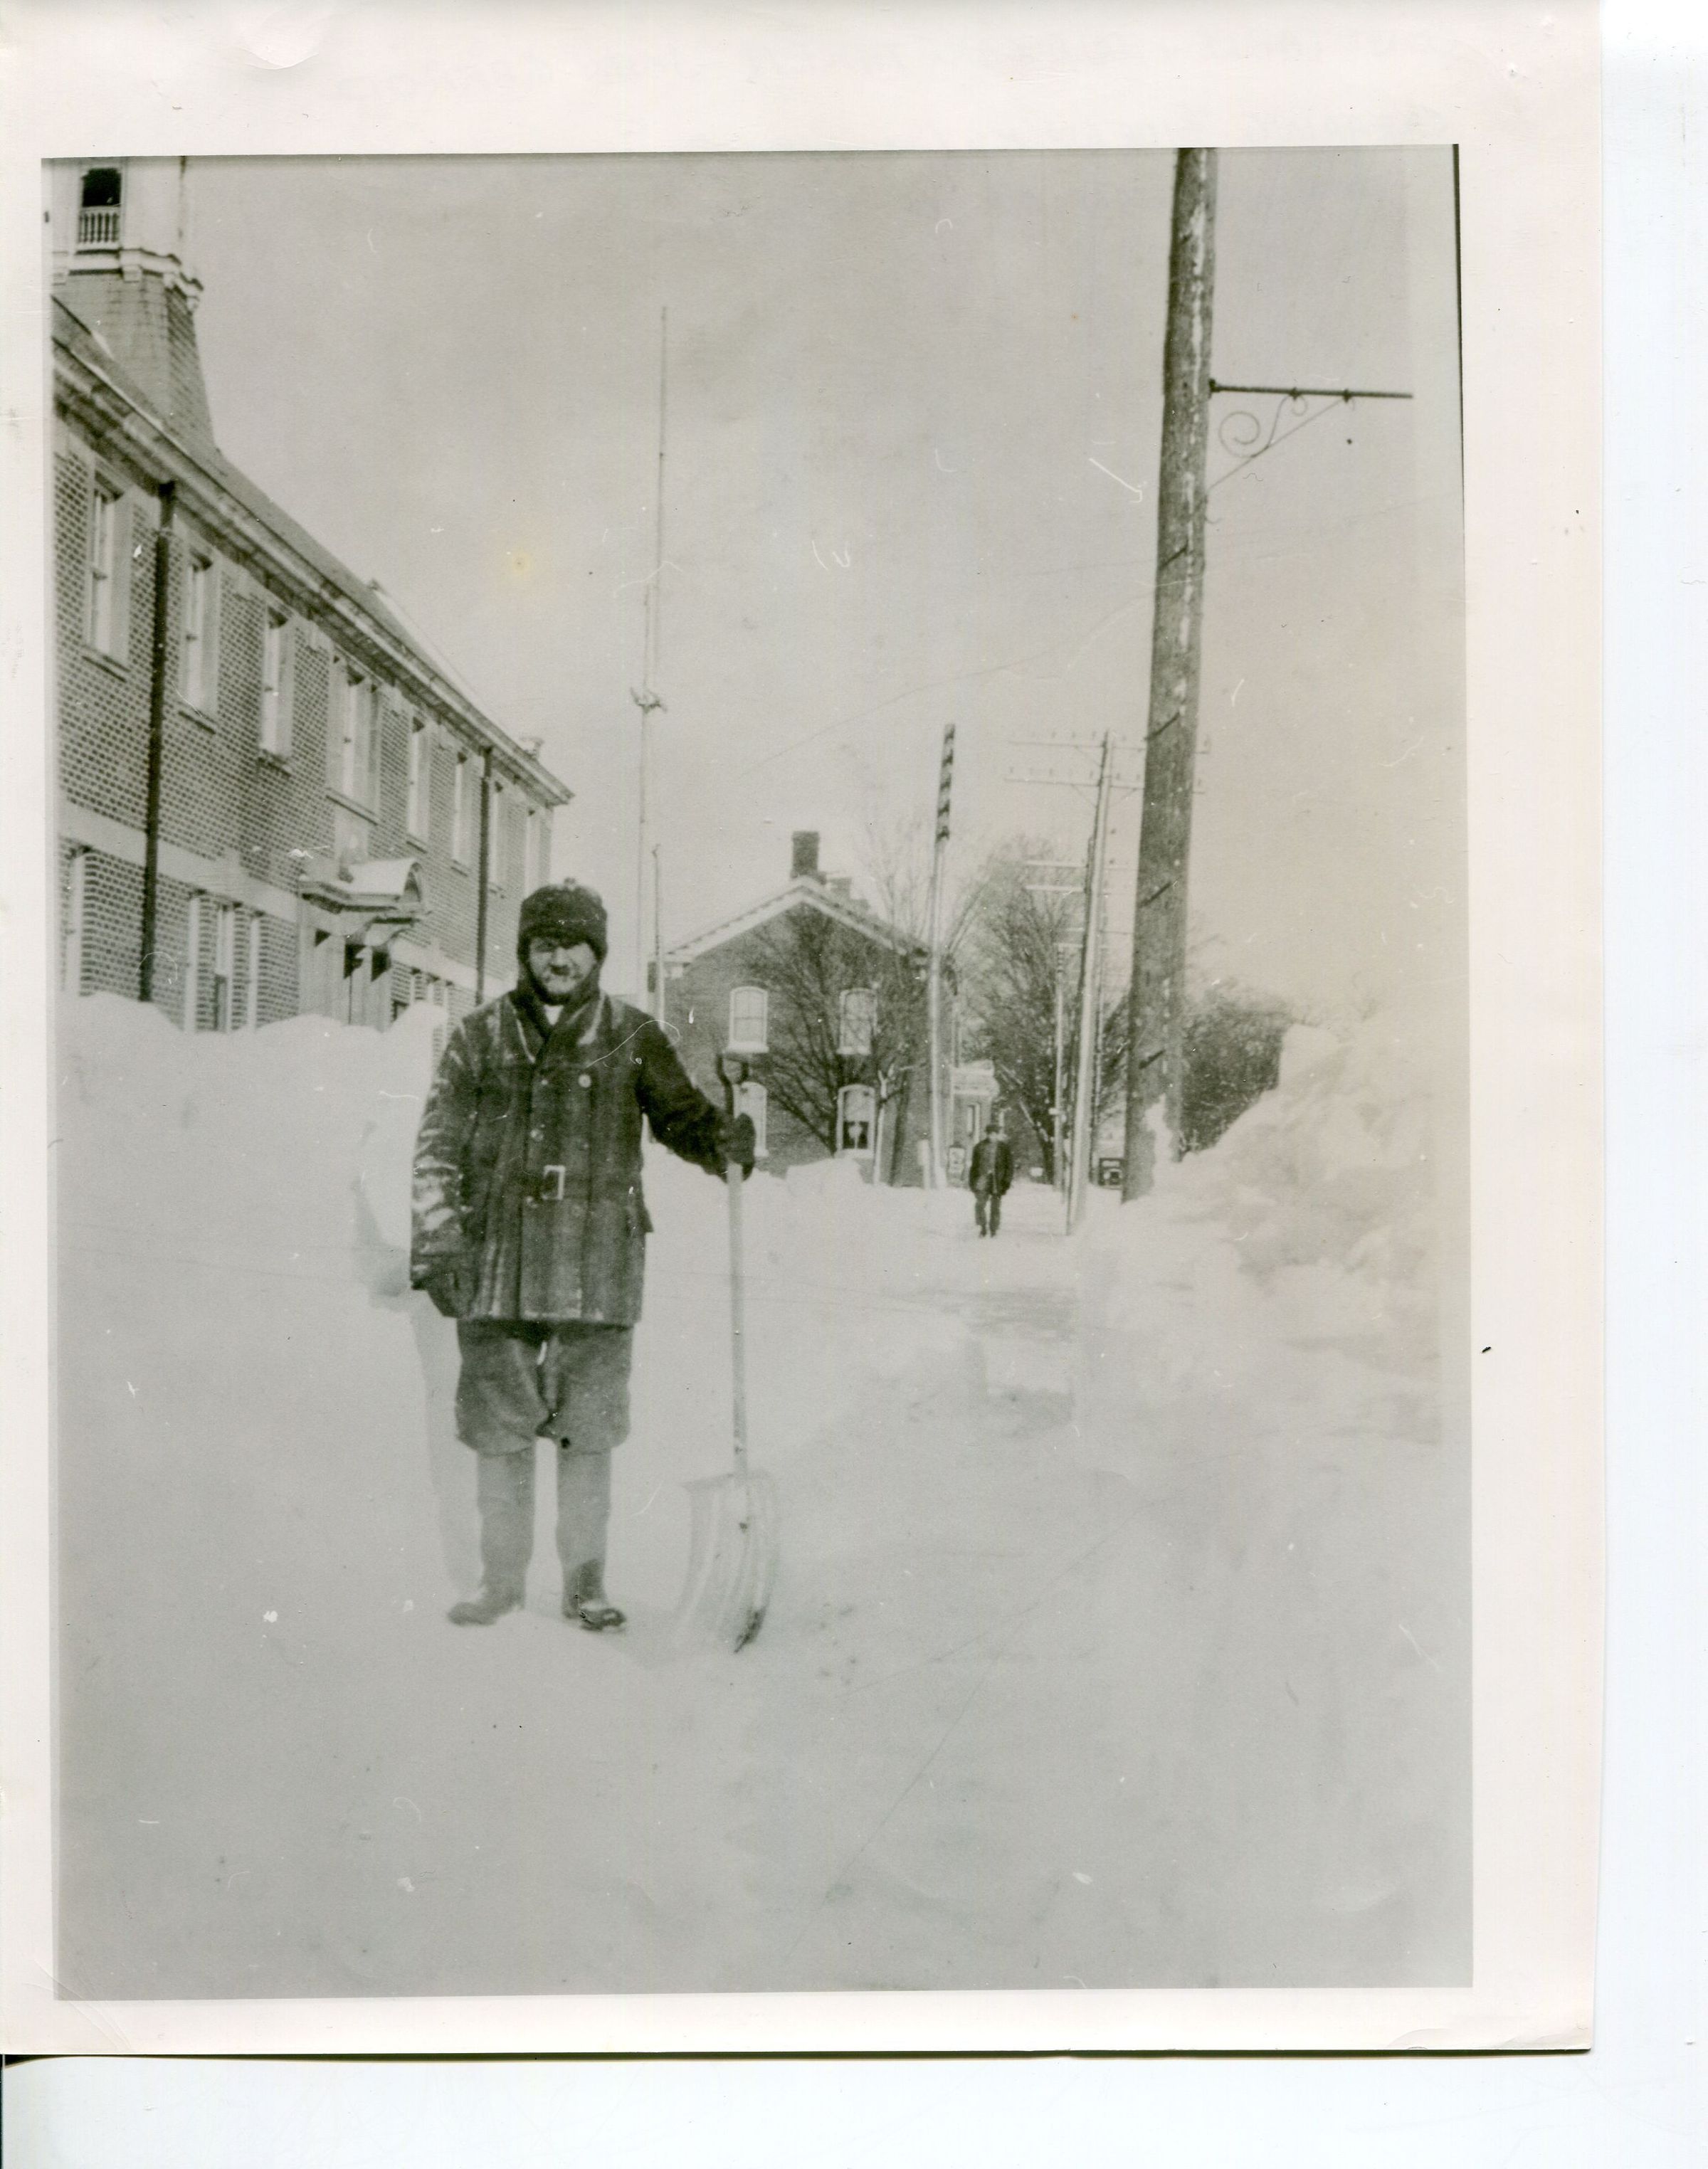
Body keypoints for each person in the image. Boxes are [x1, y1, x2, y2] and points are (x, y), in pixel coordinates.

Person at [411, 881, 753, 1630]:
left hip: (597, 1267)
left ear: (597, 953)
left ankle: (584, 1585)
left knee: (588, 1431)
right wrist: (438, 1242)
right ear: (525, 952)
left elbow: (683, 1119)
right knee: (499, 1429)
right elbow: (437, 1142)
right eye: (544, 944)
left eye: (573, 944)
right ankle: (501, 1581)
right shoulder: (479, 1036)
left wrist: (722, 1140)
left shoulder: (633, 1035)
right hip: (495, 1263)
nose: (558, 958)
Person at [968, 1120, 1015, 1238]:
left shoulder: (1004, 1148)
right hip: (982, 1179)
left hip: (997, 1181)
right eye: (990, 1134)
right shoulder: (979, 1147)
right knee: (980, 1205)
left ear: (998, 1135)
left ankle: (993, 1229)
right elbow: (974, 1166)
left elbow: (1009, 1166)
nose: (992, 1136)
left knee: (995, 1206)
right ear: (987, 1134)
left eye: (995, 1134)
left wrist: (1007, 1181)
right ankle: (983, 1227)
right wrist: (972, 1182)